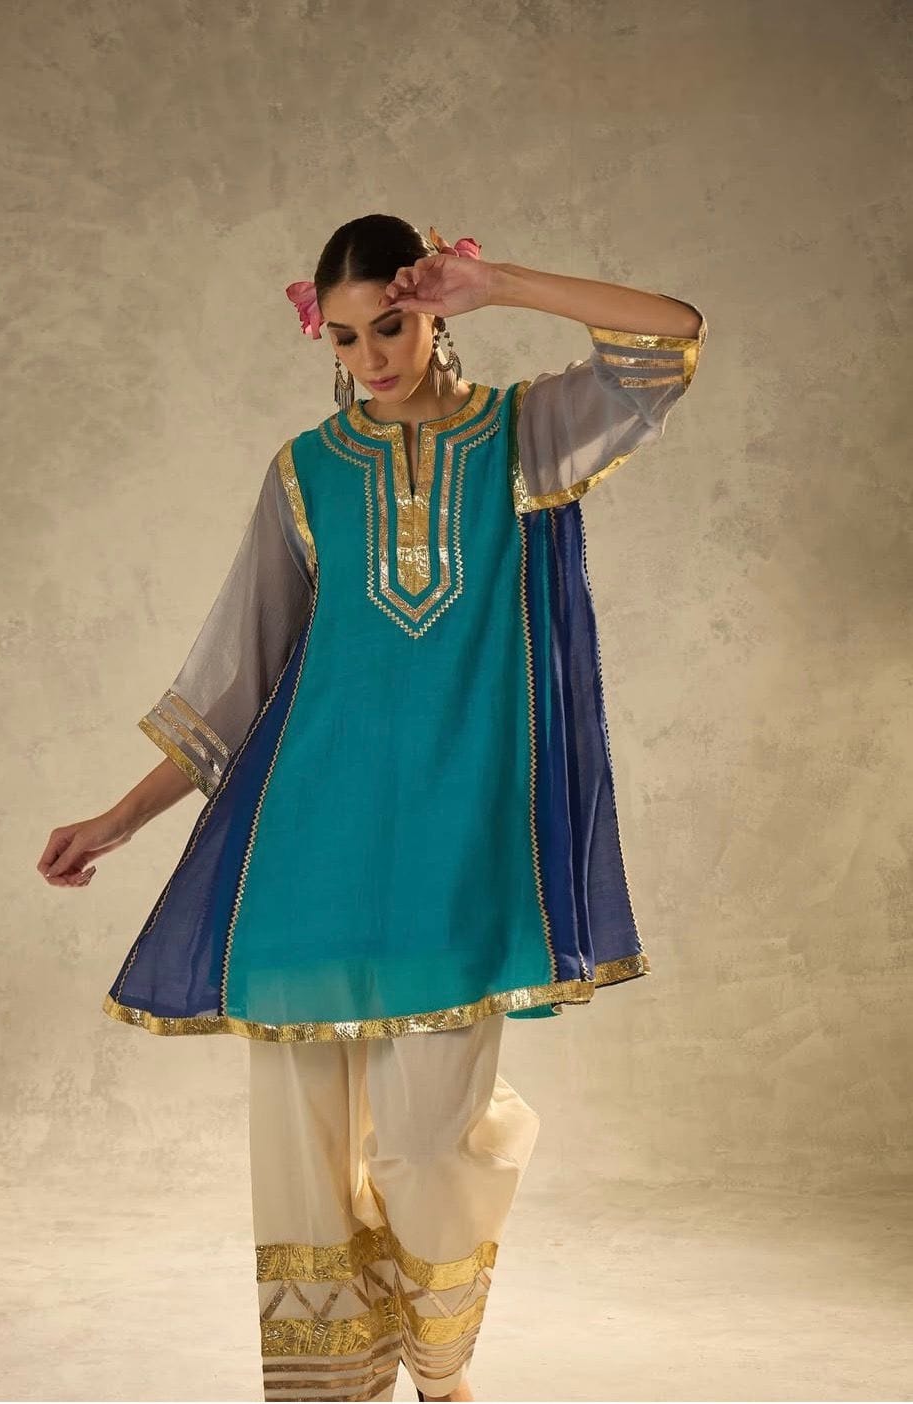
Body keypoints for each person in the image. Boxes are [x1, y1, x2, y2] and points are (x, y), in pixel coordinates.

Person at [38, 214, 708, 1403]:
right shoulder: (305, 472)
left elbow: (668, 340)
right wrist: (121, 816)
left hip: (461, 856)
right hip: (306, 852)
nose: (370, 358)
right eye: (345, 339)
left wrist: (502, 282)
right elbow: (237, 679)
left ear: (433, 312)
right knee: (301, 1160)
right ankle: (333, 1391)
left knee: (428, 1148)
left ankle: (442, 1377)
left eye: (390, 326)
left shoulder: (523, 437)